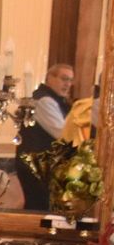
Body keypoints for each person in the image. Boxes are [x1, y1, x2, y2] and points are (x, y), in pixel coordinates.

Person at [17, 63, 74, 209]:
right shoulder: (44, 101)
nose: (67, 84)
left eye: (70, 80)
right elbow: (63, 134)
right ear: (50, 78)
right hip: (37, 166)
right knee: (39, 211)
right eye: (64, 79)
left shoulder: (54, 100)